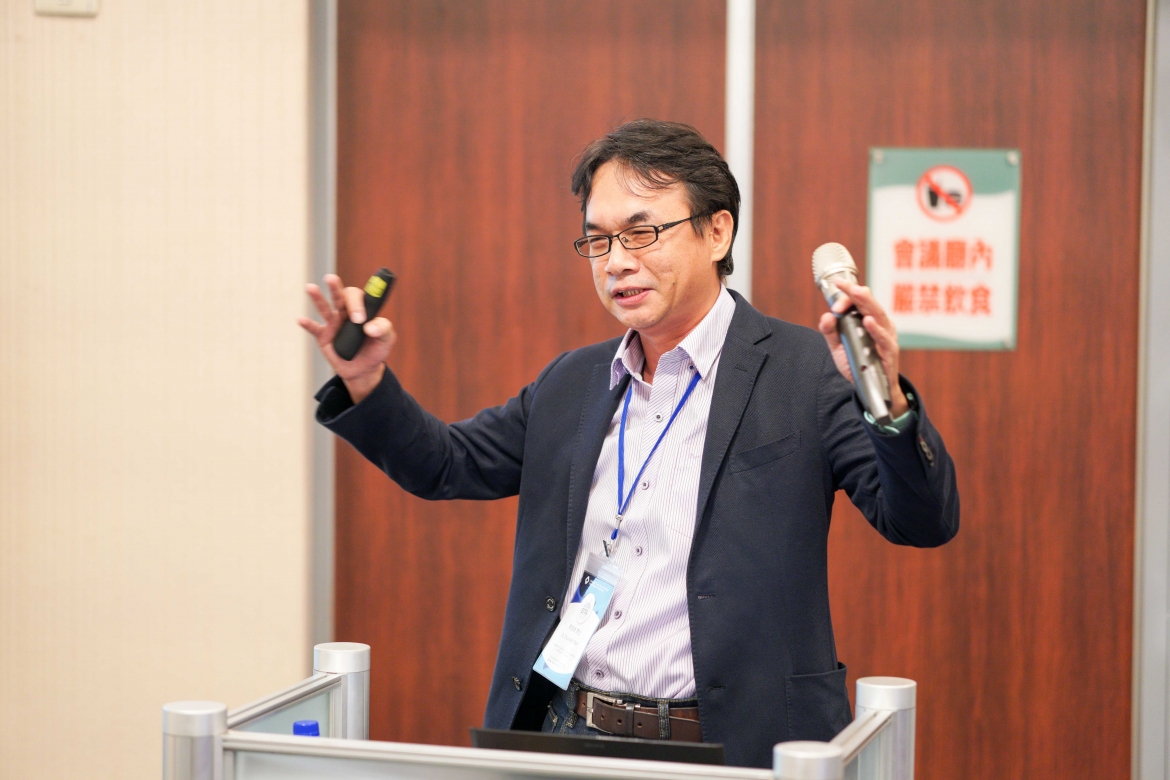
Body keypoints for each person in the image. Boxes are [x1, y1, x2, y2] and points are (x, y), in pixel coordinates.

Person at [298, 119, 959, 768]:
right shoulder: (572, 382)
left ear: (717, 231)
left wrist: (888, 401)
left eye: (642, 232)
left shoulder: (804, 370)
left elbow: (921, 521)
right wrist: (367, 383)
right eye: (598, 240)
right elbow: (446, 464)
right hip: (568, 734)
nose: (617, 261)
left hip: (730, 746)